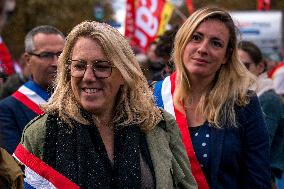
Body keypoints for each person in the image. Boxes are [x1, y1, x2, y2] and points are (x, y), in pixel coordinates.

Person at [13, 21, 197, 189]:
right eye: (79, 66)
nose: (88, 77)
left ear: (124, 74)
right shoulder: (41, 133)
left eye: (101, 67)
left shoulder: (159, 125)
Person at [153, 7, 271, 189]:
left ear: (226, 55)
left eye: (216, 43)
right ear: (183, 42)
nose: (203, 49)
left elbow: (258, 179)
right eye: (196, 37)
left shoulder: (243, 103)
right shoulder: (153, 98)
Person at [0, 25, 65, 154]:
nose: (56, 63)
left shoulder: (82, 101)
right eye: (46, 55)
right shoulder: (7, 110)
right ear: (28, 60)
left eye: (61, 54)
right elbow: (16, 166)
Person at [238, 40, 284, 189]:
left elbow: (261, 146)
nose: (239, 71)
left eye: (245, 66)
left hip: (261, 178)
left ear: (260, 67)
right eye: (234, 65)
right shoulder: (240, 94)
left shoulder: (267, 97)